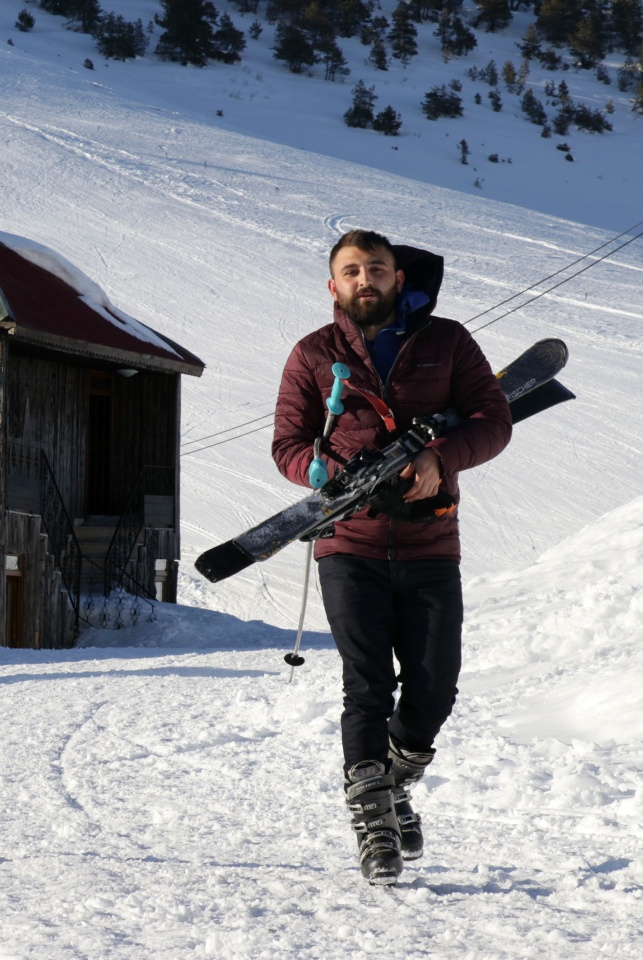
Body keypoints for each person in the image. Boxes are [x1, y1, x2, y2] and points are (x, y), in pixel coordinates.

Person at [271, 230, 512, 885]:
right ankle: (374, 820)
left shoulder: (448, 342)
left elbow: (493, 421)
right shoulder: (313, 354)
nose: (365, 279)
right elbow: (287, 443)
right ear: (334, 285)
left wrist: (440, 456)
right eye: (351, 271)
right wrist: (328, 472)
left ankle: (395, 783)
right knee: (367, 684)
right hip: (348, 544)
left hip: (431, 542)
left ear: (398, 278)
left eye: (376, 268)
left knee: (434, 689)